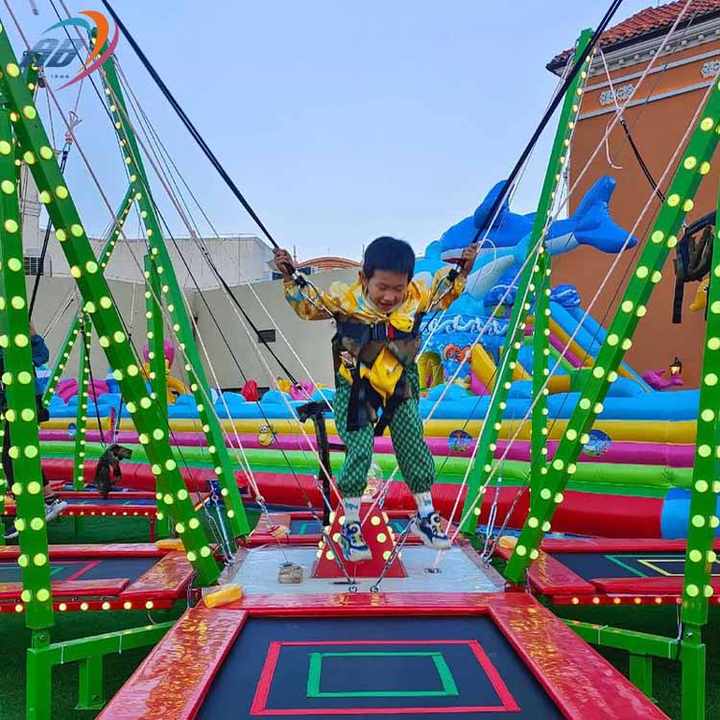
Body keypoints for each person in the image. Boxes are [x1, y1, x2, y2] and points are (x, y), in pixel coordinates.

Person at [275, 236, 477, 561]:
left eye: (398, 288)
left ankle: (426, 515)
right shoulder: (346, 299)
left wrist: (462, 271)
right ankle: (351, 525)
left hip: (399, 383)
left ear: (408, 283)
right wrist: (290, 277)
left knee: (413, 442)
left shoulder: (416, 297)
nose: (390, 296)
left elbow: (445, 291)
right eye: (382, 287)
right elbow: (309, 305)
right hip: (357, 385)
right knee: (360, 449)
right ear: (364, 278)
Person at [3, 322, 66, 541]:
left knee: (11, 457)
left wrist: (32, 334)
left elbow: (41, 355)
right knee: (20, 454)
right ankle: (49, 500)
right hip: (19, 401)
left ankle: (28, 511)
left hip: (23, 401)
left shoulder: (12, 340)